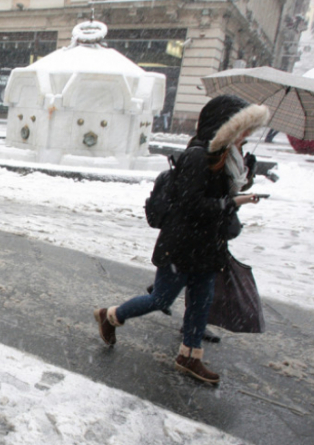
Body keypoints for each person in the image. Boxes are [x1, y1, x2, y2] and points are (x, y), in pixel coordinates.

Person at [94, 94, 268, 384]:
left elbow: (216, 196)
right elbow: (191, 205)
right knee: (161, 297)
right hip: (182, 246)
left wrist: (244, 178)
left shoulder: (226, 158)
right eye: (242, 129)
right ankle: (110, 316)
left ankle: (190, 356)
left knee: (201, 302)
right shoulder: (198, 157)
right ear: (223, 127)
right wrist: (232, 201)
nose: (246, 135)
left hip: (207, 247)